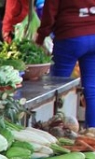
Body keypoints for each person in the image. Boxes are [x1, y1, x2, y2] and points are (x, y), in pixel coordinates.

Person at [36, 0, 95, 128]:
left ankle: (55, 128)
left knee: (57, 88)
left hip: (70, 36)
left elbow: (49, 12)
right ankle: (92, 131)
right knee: (92, 89)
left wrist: (41, 37)